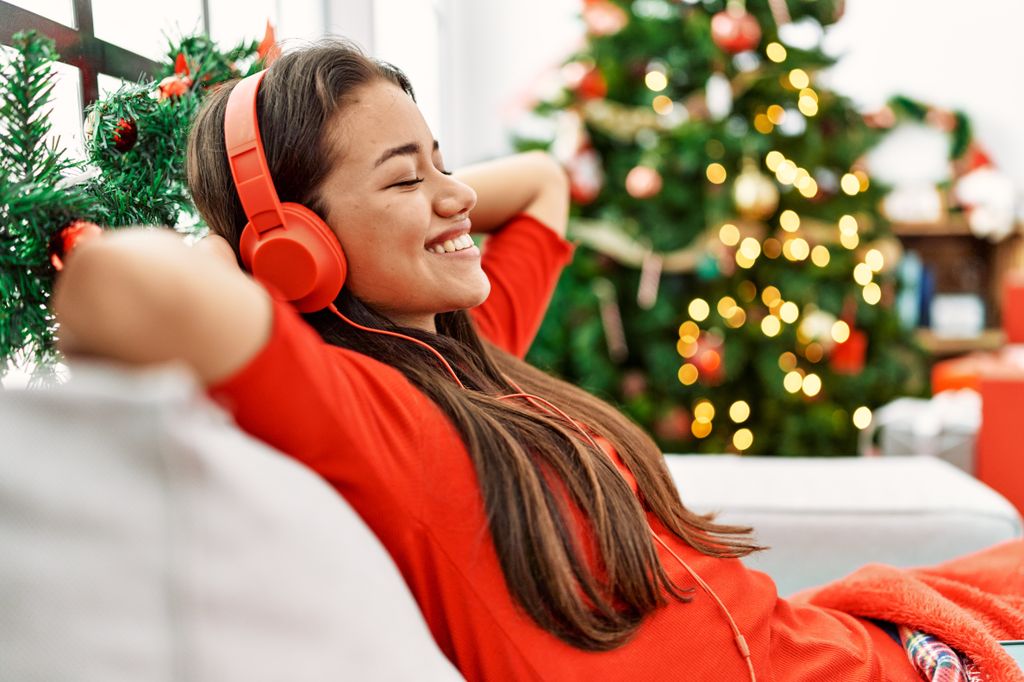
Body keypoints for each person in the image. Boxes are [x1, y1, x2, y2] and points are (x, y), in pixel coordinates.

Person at [53, 40, 1020, 682]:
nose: (458, 197)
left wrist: (416, 194)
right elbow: (122, 291)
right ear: (296, 243)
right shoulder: (376, 414)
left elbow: (545, 183)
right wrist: (261, 255)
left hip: (832, 643)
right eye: (404, 175)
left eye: (444, 160)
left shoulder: (466, 359)